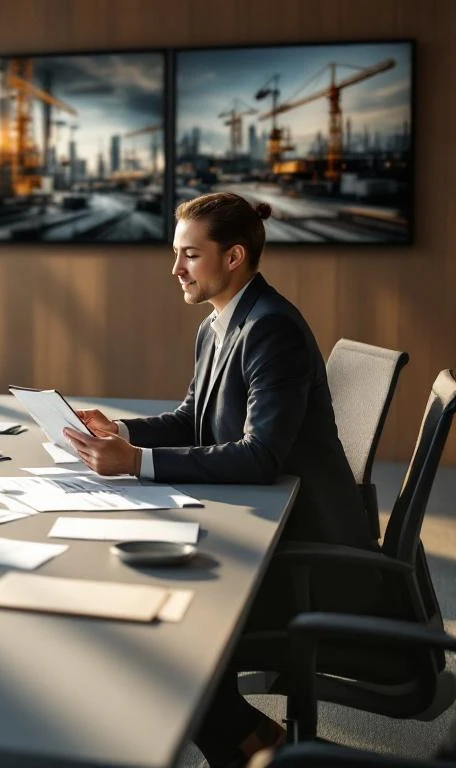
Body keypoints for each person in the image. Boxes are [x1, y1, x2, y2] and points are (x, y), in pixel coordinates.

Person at [63, 192, 376, 767]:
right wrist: (122, 430)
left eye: (188, 255)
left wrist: (134, 463)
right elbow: (194, 418)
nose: (174, 269)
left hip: (300, 551)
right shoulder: (219, 323)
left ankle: (264, 748)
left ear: (233, 257)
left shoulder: (271, 328)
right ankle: (259, 745)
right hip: (268, 525)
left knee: (166, 635)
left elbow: (259, 457)